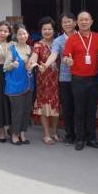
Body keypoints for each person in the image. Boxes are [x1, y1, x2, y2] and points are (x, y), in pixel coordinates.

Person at [62, 12, 98, 151]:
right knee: (79, 110)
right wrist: (68, 60)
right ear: (77, 23)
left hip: (93, 79)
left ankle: (91, 138)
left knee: (91, 110)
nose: (84, 22)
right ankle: (80, 138)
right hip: (78, 79)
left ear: (91, 21)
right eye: (81, 20)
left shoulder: (97, 37)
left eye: (86, 19)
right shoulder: (72, 39)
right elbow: (65, 57)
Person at [43, 13, 77, 145]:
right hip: (65, 78)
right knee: (67, 108)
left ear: (75, 23)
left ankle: (81, 134)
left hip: (81, 77)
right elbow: (54, 54)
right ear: (61, 25)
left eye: (69, 21)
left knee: (79, 108)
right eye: (64, 22)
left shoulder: (82, 37)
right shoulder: (58, 41)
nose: (67, 24)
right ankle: (70, 135)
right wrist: (46, 64)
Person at [31, 17, 61, 145]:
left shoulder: (58, 43)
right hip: (43, 80)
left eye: (49, 29)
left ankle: (54, 132)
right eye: (44, 29)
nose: (47, 31)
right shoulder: (38, 45)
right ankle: (46, 134)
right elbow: (34, 57)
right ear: (41, 31)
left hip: (57, 80)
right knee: (44, 107)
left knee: (56, 107)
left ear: (54, 30)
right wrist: (32, 62)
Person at [4, 23, 34, 145]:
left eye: (25, 33)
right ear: (16, 35)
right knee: (17, 110)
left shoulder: (31, 49)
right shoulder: (11, 48)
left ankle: (22, 133)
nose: (22, 36)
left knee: (26, 110)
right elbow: (5, 67)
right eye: (20, 34)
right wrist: (12, 65)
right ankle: (14, 134)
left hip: (28, 84)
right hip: (15, 84)